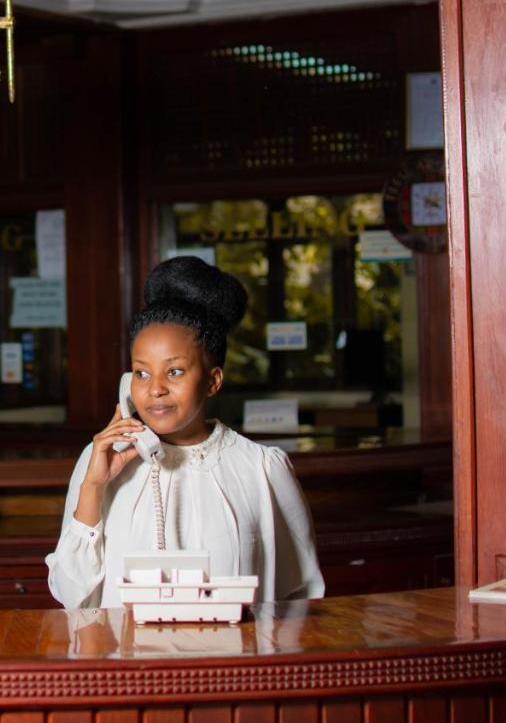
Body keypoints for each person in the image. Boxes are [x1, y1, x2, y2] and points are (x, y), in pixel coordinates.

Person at [46, 256, 324, 608]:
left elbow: (300, 599)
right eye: (142, 373)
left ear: (213, 380)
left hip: (233, 660)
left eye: (174, 372)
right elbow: (70, 596)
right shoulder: (100, 461)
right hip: (125, 660)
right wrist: (94, 487)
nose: (155, 389)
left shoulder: (262, 469)